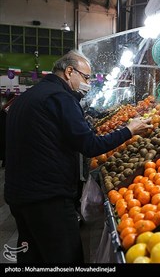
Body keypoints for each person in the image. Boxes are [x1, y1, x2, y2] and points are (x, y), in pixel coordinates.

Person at [4, 50, 152, 263]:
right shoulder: (61, 97)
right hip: (48, 198)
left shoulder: (26, 97)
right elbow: (89, 145)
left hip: (18, 195)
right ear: (69, 71)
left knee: (32, 256)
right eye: (86, 77)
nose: (88, 83)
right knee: (65, 257)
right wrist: (128, 130)